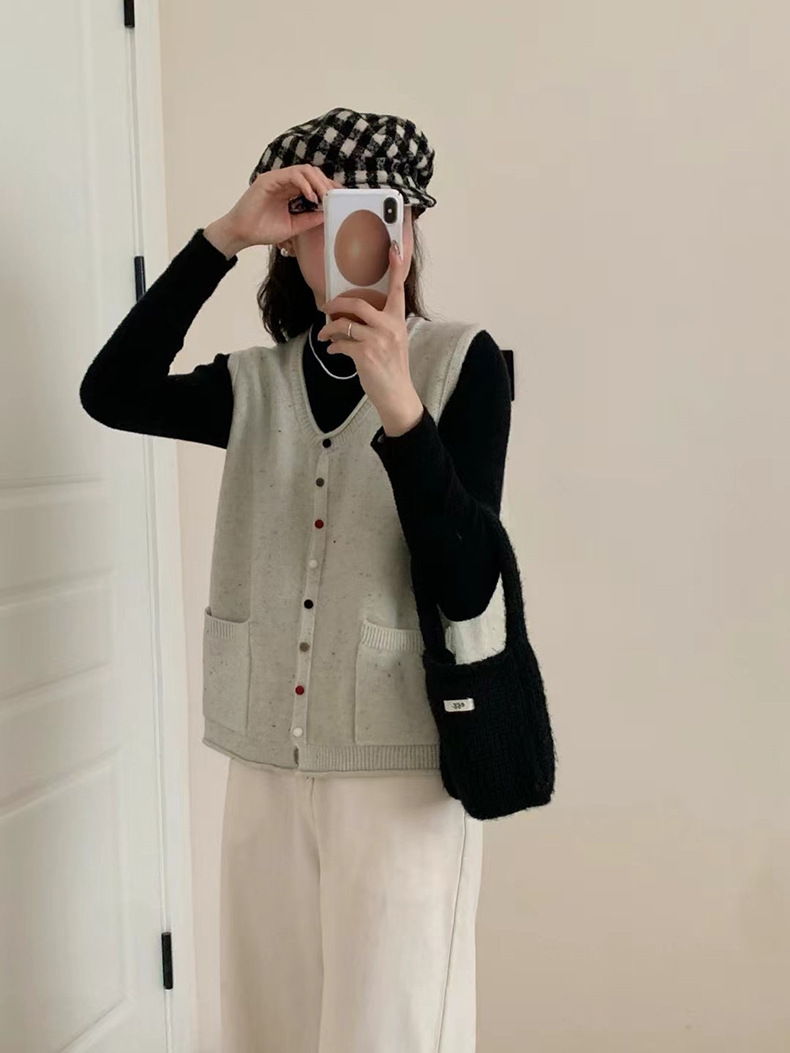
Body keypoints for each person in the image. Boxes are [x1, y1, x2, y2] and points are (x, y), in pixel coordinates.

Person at [80, 107, 512, 1053]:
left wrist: (400, 407)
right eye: (319, 210)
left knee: (394, 1031)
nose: (348, 234)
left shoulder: (461, 363)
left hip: (402, 768)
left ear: (407, 229)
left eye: (379, 210)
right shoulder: (255, 384)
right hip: (263, 758)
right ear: (288, 234)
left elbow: (469, 577)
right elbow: (110, 391)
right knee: (266, 1029)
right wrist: (222, 237)